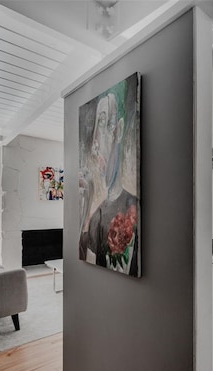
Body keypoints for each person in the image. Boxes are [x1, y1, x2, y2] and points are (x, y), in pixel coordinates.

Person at [80, 84, 139, 276]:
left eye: (104, 124)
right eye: (97, 126)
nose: (96, 143)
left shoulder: (135, 206)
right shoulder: (97, 216)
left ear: (119, 130)